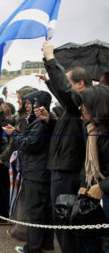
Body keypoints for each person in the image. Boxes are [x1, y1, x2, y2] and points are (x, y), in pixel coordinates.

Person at [42, 40, 92, 253]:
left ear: (80, 84)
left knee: (66, 222)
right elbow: (62, 92)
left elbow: (64, 91)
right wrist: (50, 121)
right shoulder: (73, 108)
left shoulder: (83, 102)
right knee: (62, 220)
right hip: (62, 168)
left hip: (69, 171)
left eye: (70, 83)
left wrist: (51, 59)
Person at [3, 90, 54, 253]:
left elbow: (30, 144)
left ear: (38, 104)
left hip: (36, 171)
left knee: (35, 211)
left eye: (29, 103)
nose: (26, 106)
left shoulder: (39, 123)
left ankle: (32, 247)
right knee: (42, 211)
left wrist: (15, 134)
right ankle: (45, 244)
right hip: (37, 170)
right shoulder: (37, 121)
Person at [78, 85, 109, 251]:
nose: (81, 108)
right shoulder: (91, 129)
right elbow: (87, 162)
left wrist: (103, 187)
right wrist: (85, 184)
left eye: (85, 103)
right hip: (96, 194)